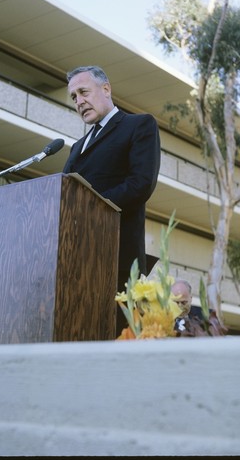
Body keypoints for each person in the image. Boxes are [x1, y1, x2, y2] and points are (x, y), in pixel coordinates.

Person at [62, 65, 161, 335]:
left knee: (111, 339)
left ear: (106, 89)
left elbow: (140, 184)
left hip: (115, 257)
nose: (79, 101)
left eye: (83, 92)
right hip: (73, 259)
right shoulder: (76, 147)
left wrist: (89, 207)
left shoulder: (138, 125)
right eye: (74, 97)